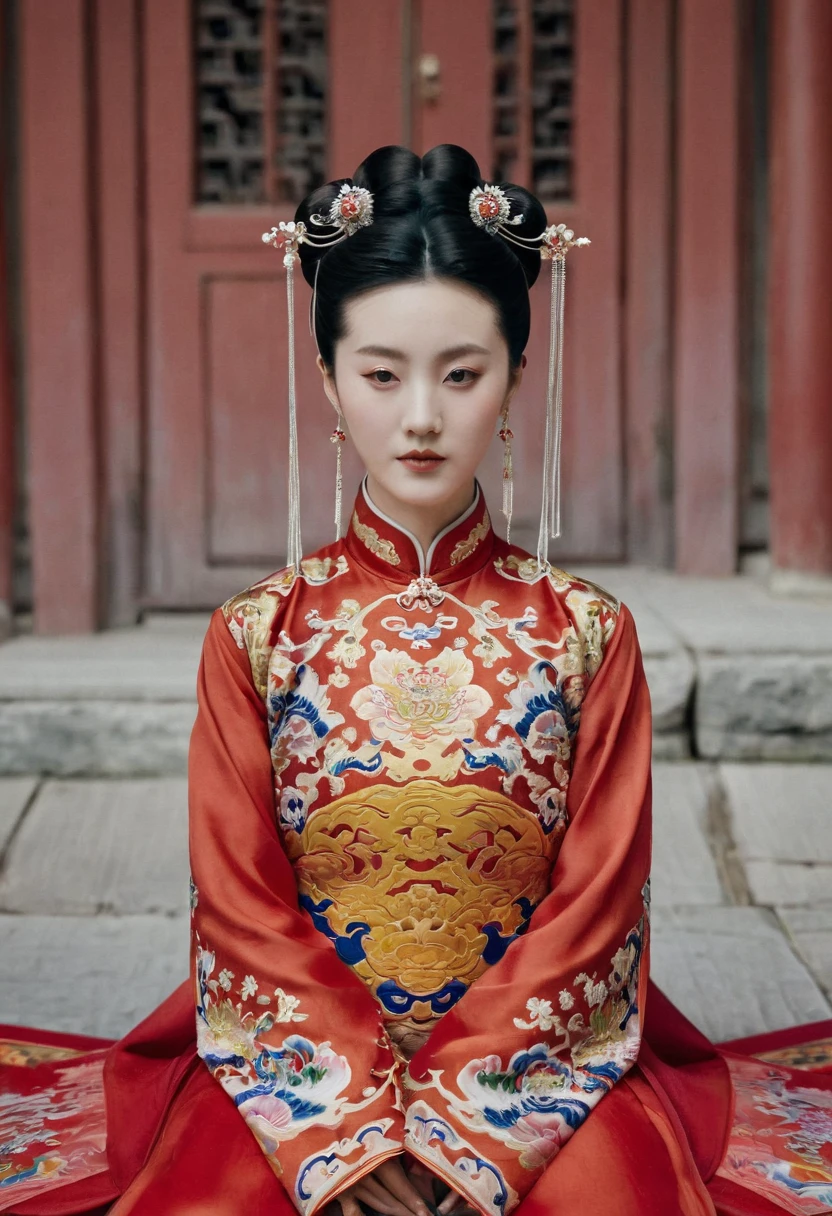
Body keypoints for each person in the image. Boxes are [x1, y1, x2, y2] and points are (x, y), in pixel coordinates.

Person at [1, 144, 831, 1216]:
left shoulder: (587, 631)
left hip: (539, 1068)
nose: (423, 418)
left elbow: (597, 906)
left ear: (517, 378)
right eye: (383, 374)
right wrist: (344, 1129)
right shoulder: (257, 632)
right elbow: (240, 907)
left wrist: (466, 1123)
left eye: (462, 372)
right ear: (329, 381)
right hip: (295, 1069)